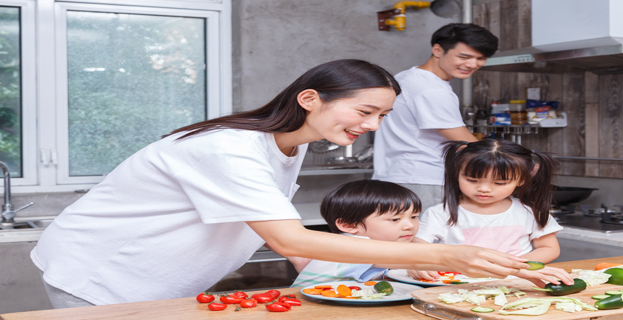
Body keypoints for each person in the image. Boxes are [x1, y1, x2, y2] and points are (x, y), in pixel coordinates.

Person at [30, 59, 534, 308]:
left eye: (383, 116)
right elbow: (288, 239)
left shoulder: (289, 146)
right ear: (310, 99)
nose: (373, 126)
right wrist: (445, 255)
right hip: (102, 276)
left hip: (160, 283)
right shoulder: (229, 147)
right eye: (365, 111)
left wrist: (421, 253)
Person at [409, 139, 572, 288]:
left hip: (515, 283)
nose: (484, 189)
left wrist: (512, 266)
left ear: (521, 180)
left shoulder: (530, 212)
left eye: (500, 183)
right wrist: (418, 264)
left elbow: (549, 248)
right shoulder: (440, 213)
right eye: (472, 180)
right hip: (458, 285)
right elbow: (418, 246)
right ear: (457, 174)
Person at [372, 23, 498, 210]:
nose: (473, 64)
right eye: (464, 57)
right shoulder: (431, 89)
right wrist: (513, 164)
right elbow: (465, 143)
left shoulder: (406, 77)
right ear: (438, 50)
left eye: (481, 58)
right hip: (424, 179)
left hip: (398, 175)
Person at [290, 180, 422, 287]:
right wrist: (415, 266)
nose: (410, 225)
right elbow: (410, 259)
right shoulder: (348, 248)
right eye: (395, 219)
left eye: (414, 216)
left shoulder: (378, 246)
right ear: (349, 225)